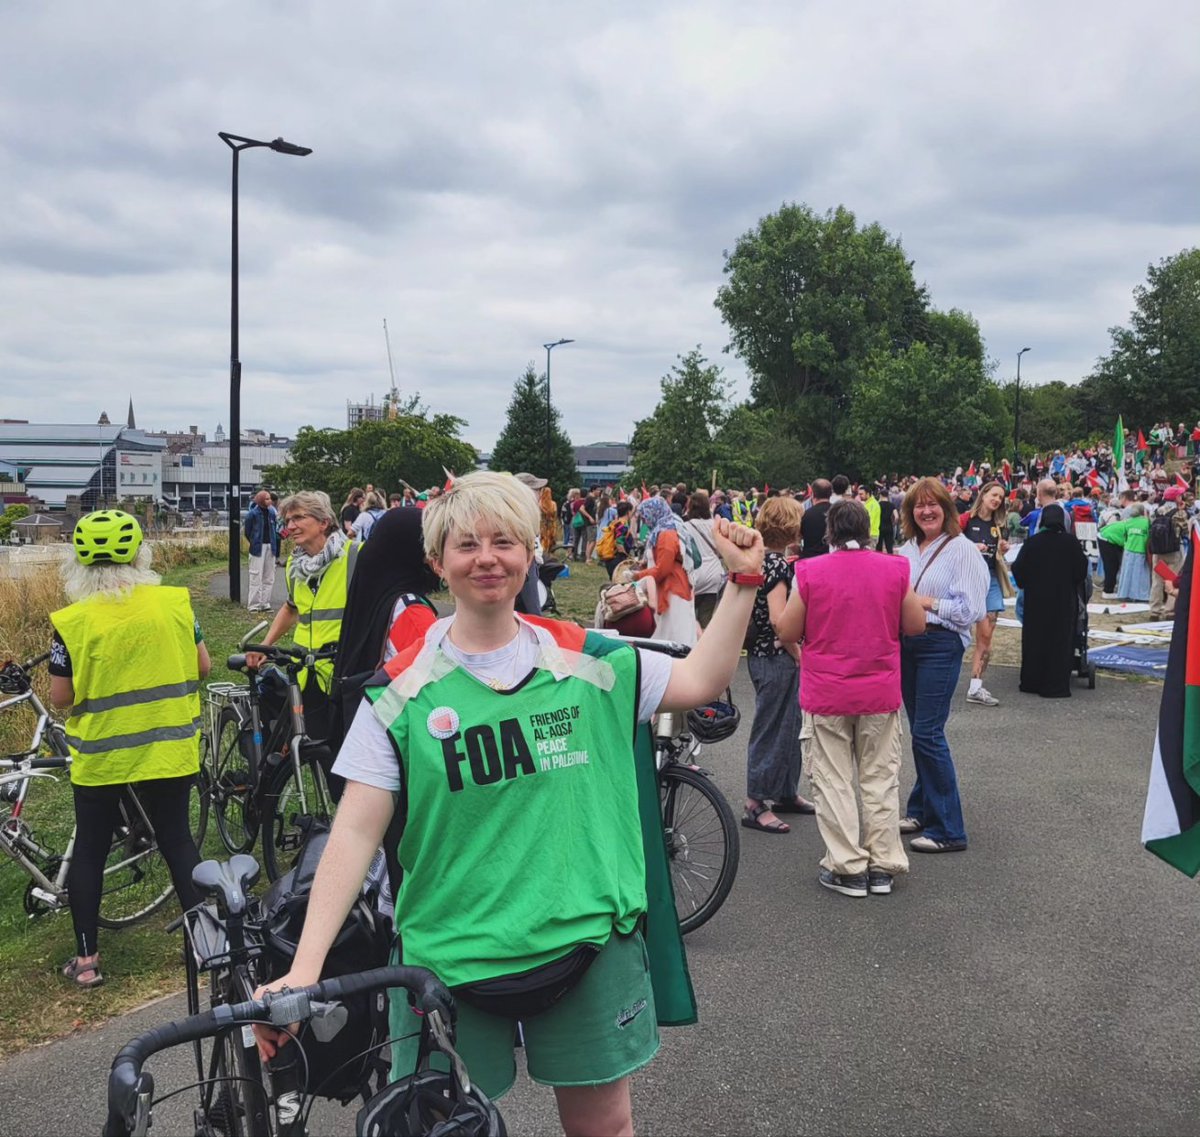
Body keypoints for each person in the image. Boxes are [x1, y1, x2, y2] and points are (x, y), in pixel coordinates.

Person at [252, 471, 766, 1134]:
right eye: (466, 544)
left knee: (604, 1127)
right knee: (438, 1124)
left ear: (530, 550)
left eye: (503, 540)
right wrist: (303, 967)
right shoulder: (400, 691)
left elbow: (701, 677)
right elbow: (353, 832)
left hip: (584, 942)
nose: (486, 557)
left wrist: (746, 580)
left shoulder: (588, 659)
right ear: (438, 560)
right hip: (448, 958)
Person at [49, 510, 207, 988]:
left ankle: (87, 961)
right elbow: (201, 666)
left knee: (91, 851)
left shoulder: (72, 621)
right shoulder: (175, 604)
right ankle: (208, 943)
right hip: (169, 746)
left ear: (78, 562)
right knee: (178, 840)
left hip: (104, 755)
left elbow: (61, 698)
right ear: (142, 555)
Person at [780, 500, 925, 896]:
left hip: (827, 690)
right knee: (880, 778)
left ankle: (847, 865)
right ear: (869, 530)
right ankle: (883, 863)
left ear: (830, 531)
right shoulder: (895, 568)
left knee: (833, 780)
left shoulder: (808, 571)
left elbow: (789, 630)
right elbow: (915, 624)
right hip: (879, 689)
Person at [896, 478, 988, 854]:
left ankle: (949, 829)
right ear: (910, 512)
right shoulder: (905, 549)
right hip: (907, 644)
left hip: (940, 644)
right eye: (919, 505)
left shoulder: (962, 550)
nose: (927, 511)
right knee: (921, 730)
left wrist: (925, 602)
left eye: (934, 504)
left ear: (947, 509)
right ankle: (921, 809)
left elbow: (971, 611)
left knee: (928, 733)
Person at [247, 491, 359, 741]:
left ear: (323, 522)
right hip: (305, 672)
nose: (291, 526)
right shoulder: (295, 566)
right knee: (318, 749)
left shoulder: (355, 558)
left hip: (343, 671)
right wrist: (266, 645)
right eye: (287, 521)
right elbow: (291, 608)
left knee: (344, 750)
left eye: (298, 518)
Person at [329, 506, 440, 749]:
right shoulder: (410, 611)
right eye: (431, 547)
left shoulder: (374, 592)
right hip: (400, 736)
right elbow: (437, 681)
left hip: (362, 731)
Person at [741, 496, 812, 835]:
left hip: (758, 653)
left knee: (787, 724)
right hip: (776, 655)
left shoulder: (756, 561)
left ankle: (784, 791)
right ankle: (756, 802)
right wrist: (799, 652)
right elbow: (779, 619)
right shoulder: (779, 567)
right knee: (773, 727)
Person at [1010, 504, 1088, 699]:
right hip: (1063, 601)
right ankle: (1055, 685)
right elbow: (1081, 571)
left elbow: (1018, 570)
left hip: (1036, 601)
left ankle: (1031, 681)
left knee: (1035, 640)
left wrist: (1028, 583)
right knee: (1060, 641)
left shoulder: (1033, 543)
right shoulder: (1071, 543)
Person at [961, 481, 1009, 707]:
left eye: (1001, 497)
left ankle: (976, 686)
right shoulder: (965, 520)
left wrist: (1002, 548)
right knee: (957, 632)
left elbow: (1001, 548)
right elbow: (950, 544)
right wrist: (972, 548)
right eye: (994, 494)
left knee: (987, 634)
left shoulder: (1000, 524)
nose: (997, 499)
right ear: (984, 494)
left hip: (989, 578)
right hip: (966, 578)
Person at [634, 496, 698, 646]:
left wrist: (637, 575)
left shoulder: (666, 534)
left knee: (674, 635)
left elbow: (663, 569)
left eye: (645, 517)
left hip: (672, 590)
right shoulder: (663, 529)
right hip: (668, 588)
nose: (644, 521)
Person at [682, 490, 727, 628]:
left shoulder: (686, 527)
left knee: (689, 619)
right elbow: (722, 550)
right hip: (714, 574)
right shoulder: (715, 525)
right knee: (706, 618)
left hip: (694, 575)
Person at [1099, 504, 1151, 602]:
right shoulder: (1146, 522)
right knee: (1112, 565)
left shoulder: (1129, 522)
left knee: (1126, 572)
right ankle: (1108, 590)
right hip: (1109, 539)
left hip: (1120, 544)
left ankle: (1123, 592)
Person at [244, 489, 279, 613]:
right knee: (255, 575)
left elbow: (275, 529)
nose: (270, 501)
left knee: (269, 576)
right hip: (258, 548)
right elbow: (247, 531)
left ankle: (265, 603)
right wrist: (254, 541)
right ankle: (253, 604)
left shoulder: (272, 513)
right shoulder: (252, 514)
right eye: (267, 498)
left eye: (270, 498)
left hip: (271, 546)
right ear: (260, 500)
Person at [799, 479, 833, 558]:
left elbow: (798, 538)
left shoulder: (805, 515)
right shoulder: (840, 514)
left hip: (810, 559)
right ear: (830, 494)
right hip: (832, 559)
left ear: (813, 494)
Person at [537, 484, 558, 556]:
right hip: (551, 525)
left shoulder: (539, 504)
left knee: (542, 539)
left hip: (542, 525)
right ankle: (549, 553)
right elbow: (555, 515)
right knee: (551, 539)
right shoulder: (553, 504)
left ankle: (542, 553)